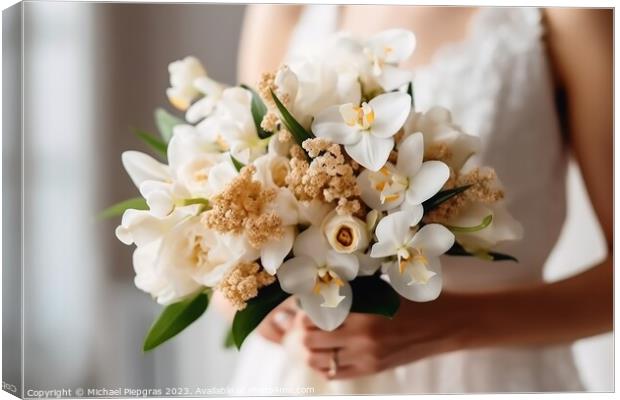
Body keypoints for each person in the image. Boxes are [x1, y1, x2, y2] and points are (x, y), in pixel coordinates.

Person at [223, 5, 612, 393]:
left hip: (484, 377)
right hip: (297, 375)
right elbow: (244, 206)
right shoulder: (284, 10)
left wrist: (448, 324)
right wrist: (259, 307)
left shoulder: (568, 15)